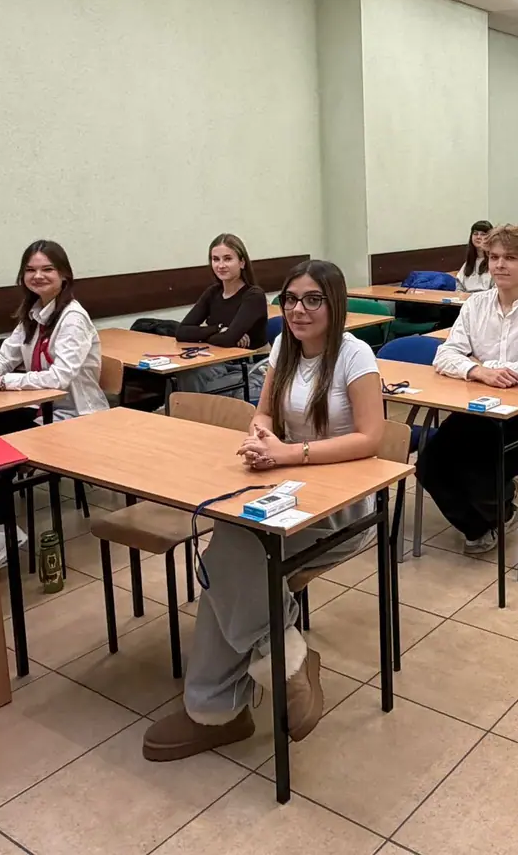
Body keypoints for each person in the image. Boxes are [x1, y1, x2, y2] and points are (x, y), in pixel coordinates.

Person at [144, 260, 384, 761]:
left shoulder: (354, 355)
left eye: (313, 300)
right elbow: (265, 412)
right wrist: (260, 437)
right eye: (290, 299)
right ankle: (283, 663)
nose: (298, 310)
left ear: (335, 304)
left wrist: (290, 453)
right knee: (230, 549)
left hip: (342, 504)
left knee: (227, 561)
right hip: (288, 485)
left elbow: (370, 438)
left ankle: (220, 708)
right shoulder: (283, 347)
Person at [419, 225, 518, 552]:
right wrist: (477, 370)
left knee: (474, 468)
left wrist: (489, 367)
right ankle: (485, 521)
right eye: (494, 257)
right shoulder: (476, 305)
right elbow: (445, 355)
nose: (499, 265)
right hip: (477, 406)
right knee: (429, 465)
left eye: (510, 258)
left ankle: (497, 510)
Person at [0, 240, 107, 564]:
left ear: (64, 275)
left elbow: (59, 378)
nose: (38, 276)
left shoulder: (72, 318)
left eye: (47, 269)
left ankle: (6, 534)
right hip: (41, 409)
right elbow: (7, 354)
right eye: (30, 270)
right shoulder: (34, 314)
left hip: (77, 416)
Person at [175, 233, 268, 395]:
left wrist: (220, 334)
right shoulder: (213, 292)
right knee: (185, 373)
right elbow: (181, 332)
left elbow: (228, 339)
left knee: (204, 385)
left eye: (228, 259)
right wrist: (218, 329)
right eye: (215, 259)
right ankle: (187, 410)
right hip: (219, 361)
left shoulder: (254, 295)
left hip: (250, 366)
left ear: (242, 262)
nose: (221, 265)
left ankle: (194, 409)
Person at [455, 219, 493, 292]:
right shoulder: (469, 262)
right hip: (467, 298)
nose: (478, 237)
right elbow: (459, 286)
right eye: (475, 234)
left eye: (483, 234)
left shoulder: (494, 262)